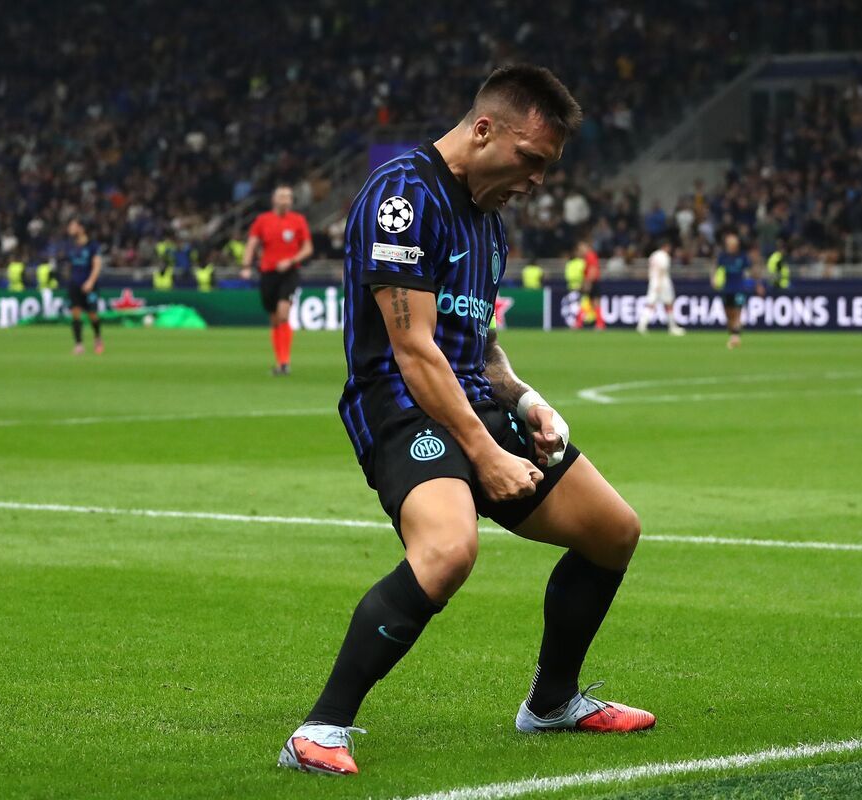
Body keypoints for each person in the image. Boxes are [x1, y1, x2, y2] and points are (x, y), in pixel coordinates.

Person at [279, 64, 653, 779]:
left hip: (471, 400)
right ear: (484, 130)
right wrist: (484, 454)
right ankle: (319, 728)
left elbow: (474, 341)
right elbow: (413, 349)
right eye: (532, 159)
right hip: (400, 403)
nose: (539, 178)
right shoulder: (402, 198)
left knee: (613, 532)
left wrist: (525, 401)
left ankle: (551, 703)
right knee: (448, 550)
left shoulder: (488, 222)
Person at [241, 186, 313, 376]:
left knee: (283, 314)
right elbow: (252, 244)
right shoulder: (262, 221)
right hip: (268, 274)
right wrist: (246, 266)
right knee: (274, 320)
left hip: (289, 273)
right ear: (274, 199)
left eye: (288, 197)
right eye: (281, 196)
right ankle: (280, 362)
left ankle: (284, 363)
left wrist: (291, 260)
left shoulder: (298, 221)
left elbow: (307, 248)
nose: (285, 200)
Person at [713, 232, 764, 349]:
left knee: (737, 312)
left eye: (732, 244)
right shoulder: (723, 257)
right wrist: (714, 278)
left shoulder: (742, 257)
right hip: (727, 289)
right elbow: (716, 268)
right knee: (728, 314)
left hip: (739, 288)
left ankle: (735, 337)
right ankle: (734, 334)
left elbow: (752, 271)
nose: (730, 246)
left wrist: (758, 285)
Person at [65, 219, 104, 355]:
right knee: (75, 313)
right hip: (74, 284)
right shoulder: (70, 246)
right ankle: (79, 344)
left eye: (73, 226)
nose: (70, 229)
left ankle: (98, 337)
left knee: (92, 314)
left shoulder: (92, 246)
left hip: (89, 284)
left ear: (81, 228)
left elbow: (97, 265)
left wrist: (91, 282)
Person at [636, 240, 684, 335]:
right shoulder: (664, 256)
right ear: (665, 246)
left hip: (653, 281)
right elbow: (661, 270)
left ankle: (641, 325)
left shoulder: (653, 255)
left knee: (650, 304)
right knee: (668, 304)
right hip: (662, 282)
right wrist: (659, 284)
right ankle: (672, 327)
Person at [580, 241, 605, 330]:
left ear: (587, 247)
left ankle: (600, 324)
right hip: (592, 282)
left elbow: (593, 269)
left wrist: (588, 282)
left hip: (593, 282)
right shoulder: (588, 257)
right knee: (590, 303)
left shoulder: (590, 256)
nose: (581, 250)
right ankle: (599, 324)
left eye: (582, 248)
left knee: (593, 303)